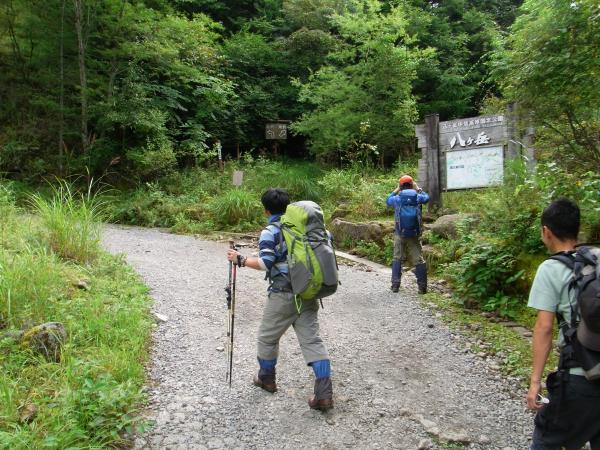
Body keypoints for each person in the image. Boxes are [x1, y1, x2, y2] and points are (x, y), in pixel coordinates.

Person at [226, 188, 334, 411]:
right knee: (312, 341)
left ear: (266, 210)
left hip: (282, 295)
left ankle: (267, 379)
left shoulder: (270, 231)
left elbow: (266, 263)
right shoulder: (305, 229)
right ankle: (324, 395)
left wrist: (241, 259)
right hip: (308, 292)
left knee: (267, 338)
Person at [526, 198, 600, 449]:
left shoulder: (550, 268)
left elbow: (544, 328)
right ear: (578, 229)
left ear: (546, 232)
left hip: (581, 378)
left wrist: (535, 381)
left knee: (546, 440)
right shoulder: (598, 259)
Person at [386, 175, 429, 294]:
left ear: (401, 186)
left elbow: (388, 200)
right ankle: (422, 287)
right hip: (414, 234)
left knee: (397, 258)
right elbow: (427, 198)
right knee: (418, 259)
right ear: (411, 185)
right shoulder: (418, 197)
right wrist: (418, 188)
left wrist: (396, 190)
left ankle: (395, 285)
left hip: (400, 233)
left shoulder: (397, 198)